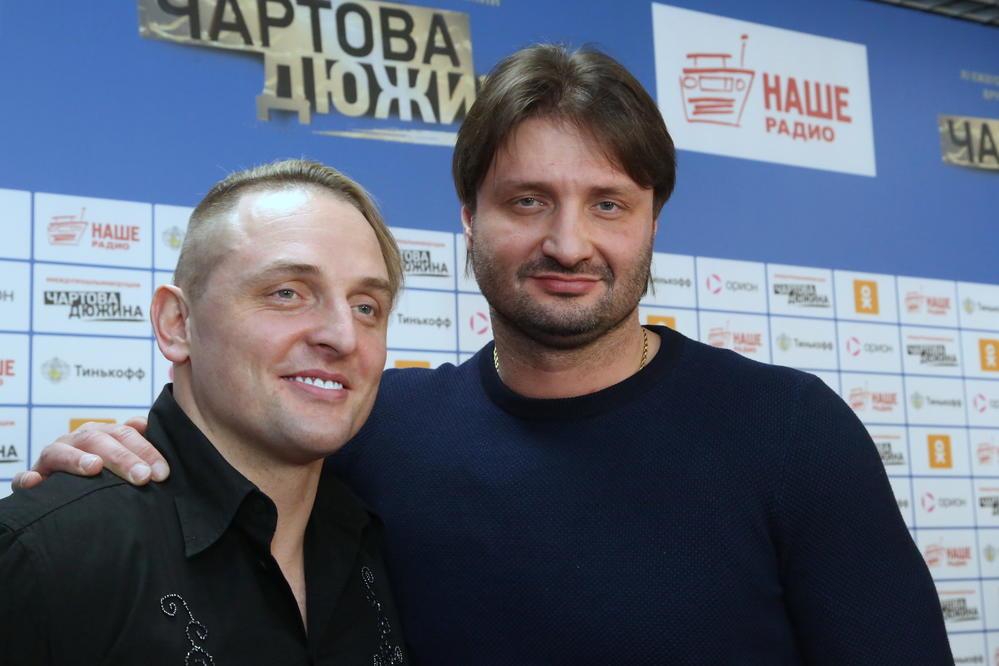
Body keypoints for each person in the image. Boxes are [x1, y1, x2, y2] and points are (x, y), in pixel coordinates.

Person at [20, 45, 951, 664]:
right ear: (467, 217)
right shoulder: (378, 429)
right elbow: (231, 455)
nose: (568, 243)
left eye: (608, 204)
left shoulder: (789, 432)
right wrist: (115, 471)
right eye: (526, 201)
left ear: (653, 220)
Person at [0, 160, 408, 665]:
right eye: (287, 293)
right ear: (177, 324)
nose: (343, 336)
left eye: (366, 307)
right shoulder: (44, 555)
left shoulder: (381, 539)